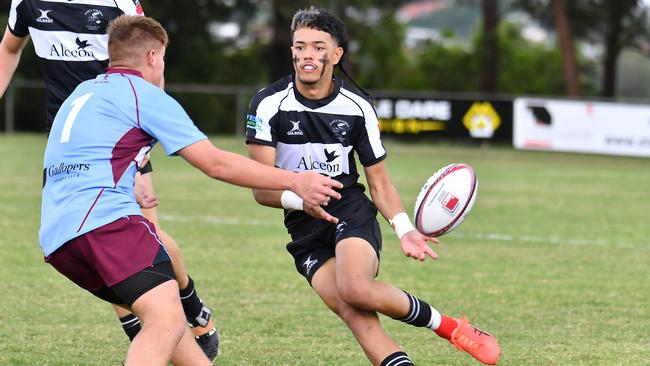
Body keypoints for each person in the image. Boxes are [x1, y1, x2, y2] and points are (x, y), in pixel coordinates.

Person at [40, 14, 342, 365]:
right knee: (166, 320)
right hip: (104, 224)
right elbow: (215, 163)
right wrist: (295, 180)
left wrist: (129, 181)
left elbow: (80, 157)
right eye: (163, 60)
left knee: (173, 331)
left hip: (58, 237)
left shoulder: (83, 92)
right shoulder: (142, 94)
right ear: (153, 57)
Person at [246, 7, 501, 366]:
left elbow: (378, 182)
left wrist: (405, 229)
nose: (307, 55)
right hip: (302, 221)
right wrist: (300, 199)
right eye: (300, 46)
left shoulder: (357, 107)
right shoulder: (268, 104)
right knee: (355, 314)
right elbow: (261, 187)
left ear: (336, 55)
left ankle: (452, 328)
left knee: (355, 288)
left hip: (348, 207)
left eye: (318, 47)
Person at [0, 0, 219, 358]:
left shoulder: (116, 3)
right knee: (102, 243)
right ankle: (150, 331)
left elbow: (148, 58)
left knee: (146, 238)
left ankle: (193, 310)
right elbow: (9, 49)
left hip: (122, 130)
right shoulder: (25, 3)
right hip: (70, 141)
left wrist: (143, 145)